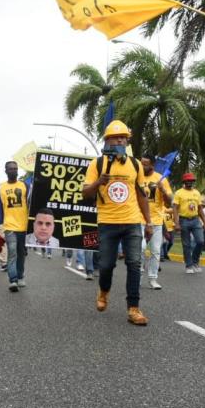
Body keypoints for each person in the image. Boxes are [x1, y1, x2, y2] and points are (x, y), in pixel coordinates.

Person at [82, 120, 152, 326]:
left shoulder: (135, 164)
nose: (120, 139)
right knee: (106, 265)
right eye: (116, 137)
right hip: (107, 222)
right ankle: (104, 290)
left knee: (134, 264)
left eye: (124, 137)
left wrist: (148, 222)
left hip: (132, 222)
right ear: (108, 141)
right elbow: (85, 193)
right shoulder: (97, 164)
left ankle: (133, 308)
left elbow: (141, 196)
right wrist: (98, 182)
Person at [138, 156, 172, 290]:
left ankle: (153, 279)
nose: (142, 166)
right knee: (140, 248)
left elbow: (169, 202)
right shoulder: (137, 177)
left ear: (152, 165)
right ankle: (138, 277)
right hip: (139, 219)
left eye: (145, 164)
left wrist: (163, 190)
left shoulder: (161, 178)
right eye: (141, 164)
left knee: (156, 251)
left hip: (157, 220)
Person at [0, 161, 29, 292]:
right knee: (12, 252)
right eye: (10, 169)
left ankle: (20, 276)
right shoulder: (0, 188)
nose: (14, 171)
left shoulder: (25, 185)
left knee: (21, 253)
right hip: (9, 226)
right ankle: (13, 280)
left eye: (15, 169)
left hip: (24, 226)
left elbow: (30, 203)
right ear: (6, 171)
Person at [173, 173, 205, 273]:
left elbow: (200, 208)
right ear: (184, 182)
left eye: (191, 181)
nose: (190, 182)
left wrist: (204, 222)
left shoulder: (196, 192)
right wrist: (177, 223)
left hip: (196, 220)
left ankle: (195, 262)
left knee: (200, 241)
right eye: (188, 180)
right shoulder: (179, 193)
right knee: (186, 244)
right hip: (184, 220)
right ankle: (189, 266)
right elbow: (175, 208)